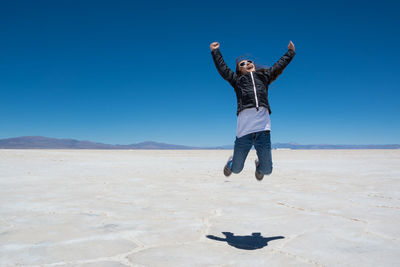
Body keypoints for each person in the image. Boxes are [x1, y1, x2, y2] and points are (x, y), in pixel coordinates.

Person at [210, 41, 295, 180]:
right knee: (236, 169)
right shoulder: (237, 81)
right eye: (242, 64)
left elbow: (279, 66)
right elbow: (223, 69)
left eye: (249, 61)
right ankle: (231, 163)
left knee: (267, 170)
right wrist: (215, 52)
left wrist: (290, 53)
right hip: (244, 131)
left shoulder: (264, 77)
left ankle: (259, 165)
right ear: (239, 70)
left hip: (263, 129)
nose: (247, 63)